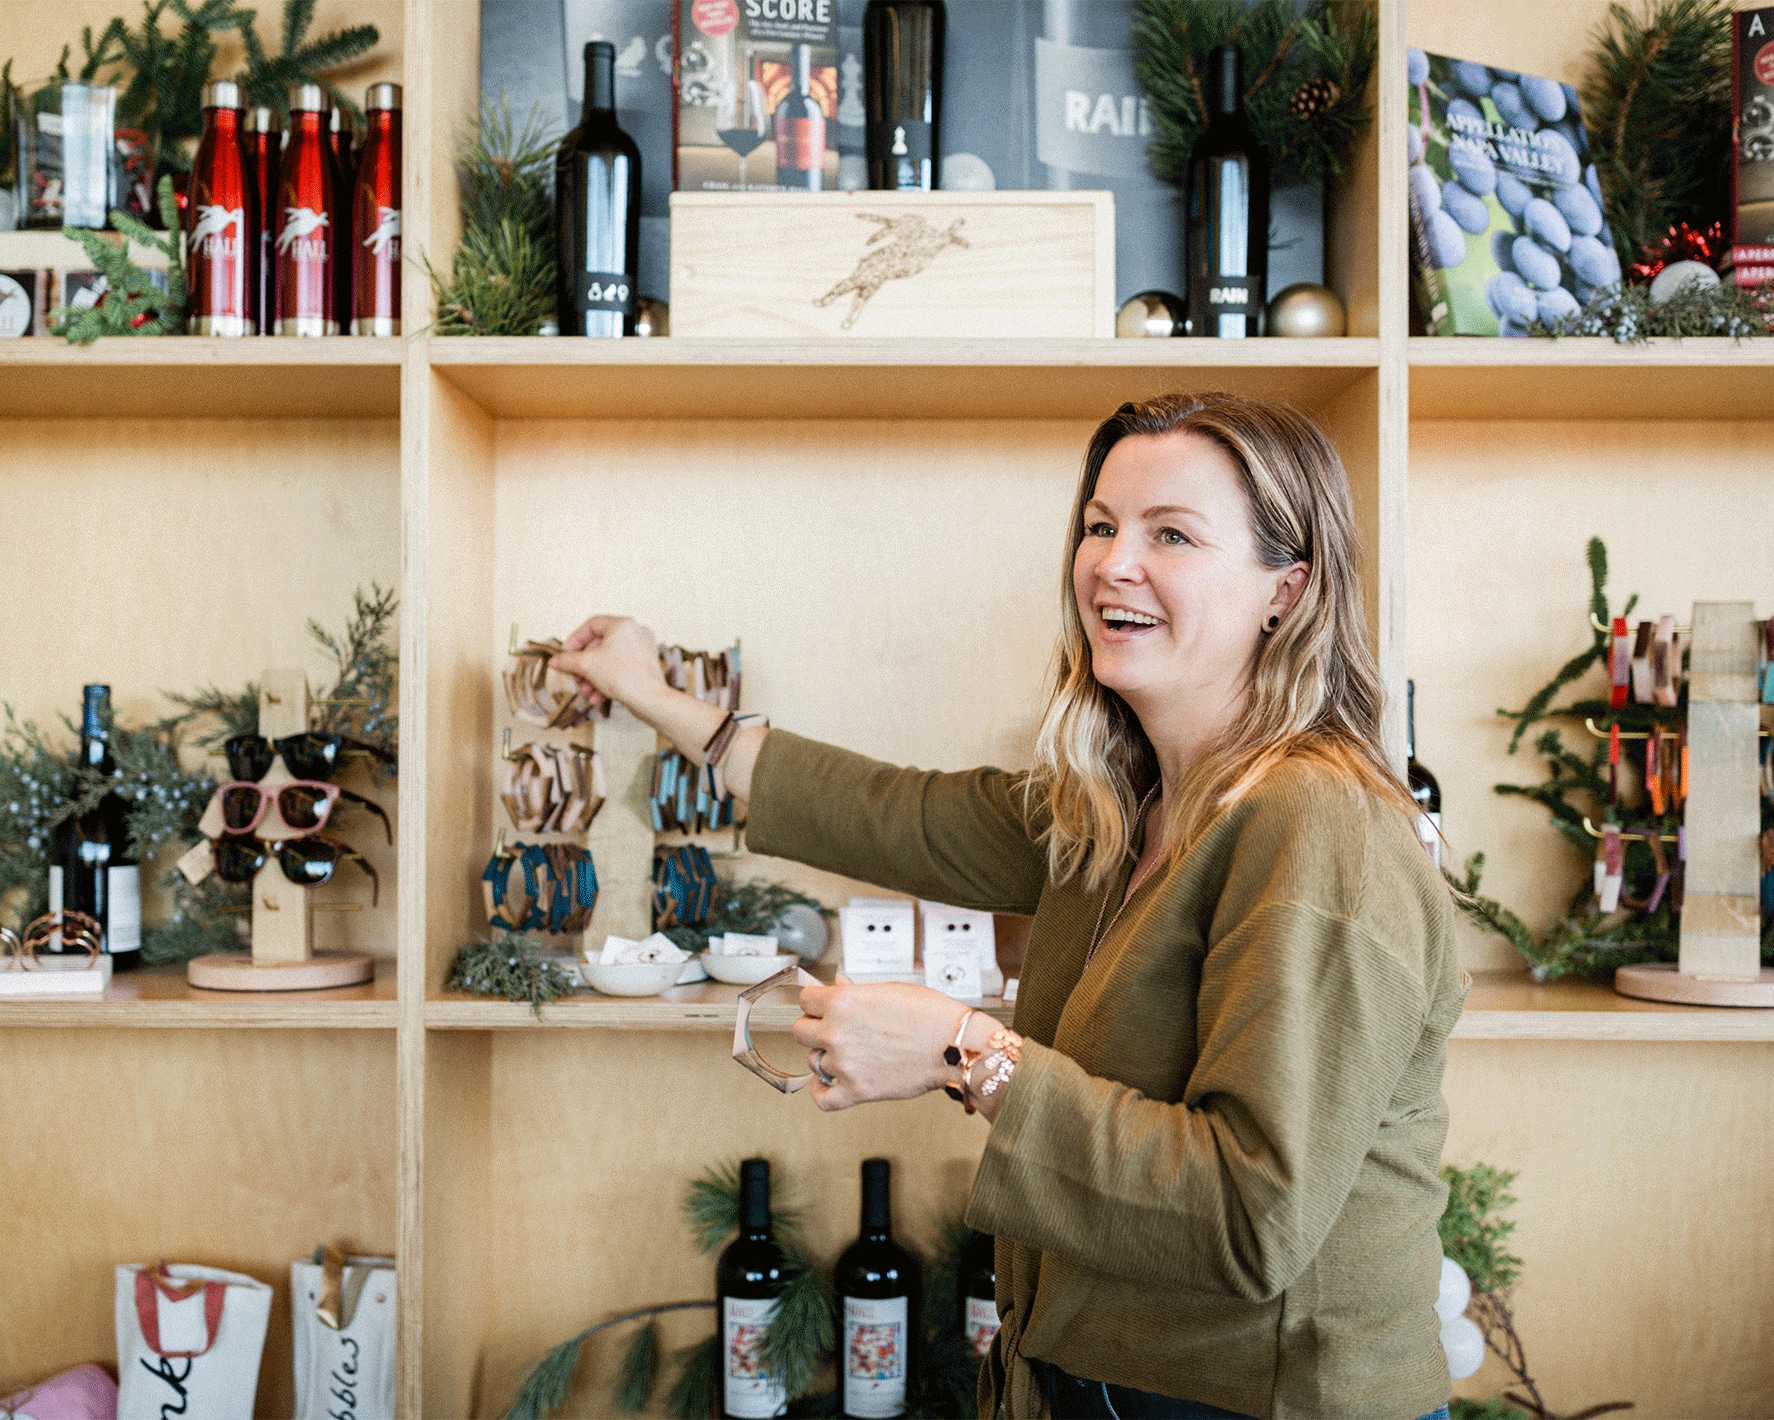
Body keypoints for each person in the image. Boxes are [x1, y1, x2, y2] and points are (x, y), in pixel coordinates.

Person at [552, 392, 1465, 1420]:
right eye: (1100, 524)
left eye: (1171, 533)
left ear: (1284, 592)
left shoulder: (1319, 829)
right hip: (1099, 1383)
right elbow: (887, 813)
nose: (1113, 563)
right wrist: (649, 691)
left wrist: (963, 1050)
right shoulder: (1120, 803)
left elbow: (1250, 1215)